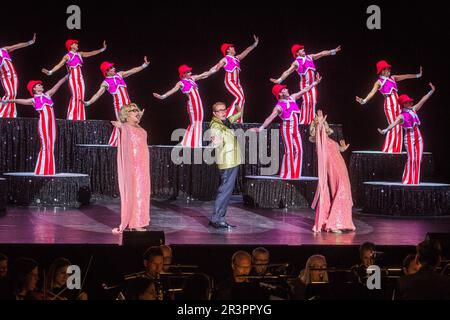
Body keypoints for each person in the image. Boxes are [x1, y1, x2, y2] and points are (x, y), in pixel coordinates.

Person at [251, 77, 321, 179]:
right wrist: (260, 129)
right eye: (284, 90)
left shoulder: (292, 98)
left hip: (295, 130)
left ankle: (295, 174)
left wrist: (315, 82)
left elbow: (305, 90)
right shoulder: (278, 107)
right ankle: (286, 175)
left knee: (299, 150)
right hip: (286, 129)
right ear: (280, 94)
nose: (287, 90)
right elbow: (270, 118)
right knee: (289, 151)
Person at [2, 76, 68, 175]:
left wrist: (67, 76)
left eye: (41, 85)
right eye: (39, 85)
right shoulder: (33, 100)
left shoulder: (47, 95)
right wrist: (7, 101)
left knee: (51, 145)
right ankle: (42, 170)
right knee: (45, 145)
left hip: (52, 123)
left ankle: (49, 169)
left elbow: (58, 84)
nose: (41, 86)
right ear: (34, 88)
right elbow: (18, 100)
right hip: (44, 123)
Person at [356, 60, 423, 153]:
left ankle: (397, 150)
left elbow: (406, 76)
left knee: (399, 126)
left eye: (389, 68)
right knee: (393, 126)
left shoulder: (393, 78)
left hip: (398, 105)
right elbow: (372, 92)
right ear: (382, 70)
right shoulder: (379, 82)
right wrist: (364, 100)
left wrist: (417, 75)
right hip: (389, 105)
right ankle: (388, 149)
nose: (389, 69)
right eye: (387, 68)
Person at [82, 57, 150, 146]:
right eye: (111, 68)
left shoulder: (119, 75)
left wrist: (144, 65)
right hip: (120, 107)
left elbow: (132, 71)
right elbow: (98, 94)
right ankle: (113, 145)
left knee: (131, 124)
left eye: (113, 67)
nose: (114, 68)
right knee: (122, 125)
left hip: (129, 106)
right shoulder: (106, 83)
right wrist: (88, 102)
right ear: (106, 71)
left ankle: (127, 145)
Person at [378, 83, 435, 185]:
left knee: (418, 159)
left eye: (410, 102)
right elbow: (393, 124)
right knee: (412, 159)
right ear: (404, 104)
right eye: (408, 102)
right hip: (409, 138)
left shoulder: (413, 109)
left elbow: (423, 100)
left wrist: (431, 91)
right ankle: (407, 180)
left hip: (419, 137)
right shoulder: (401, 116)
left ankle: (415, 181)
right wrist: (385, 130)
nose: (411, 103)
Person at [309, 110, 355, 233]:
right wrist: (319, 123)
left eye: (324, 123)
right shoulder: (320, 140)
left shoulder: (329, 140)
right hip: (333, 167)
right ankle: (334, 223)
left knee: (343, 189)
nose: (323, 124)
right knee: (341, 189)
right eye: (320, 123)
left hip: (341, 166)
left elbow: (337, 149)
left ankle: (341, 221)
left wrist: (343, 148)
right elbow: (319, 134)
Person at [270, 43, 341, 124]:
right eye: (300, 49)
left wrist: (333, 51)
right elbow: (288, 72)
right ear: (297, 53)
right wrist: (279, 80)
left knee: (313, 102)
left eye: (302, 48)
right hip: (305, 85)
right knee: (307, 102)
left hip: (313, 85)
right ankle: (303, 122)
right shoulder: (296, 62)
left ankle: (312, 121)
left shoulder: (309, 57)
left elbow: (321, 54)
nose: (303, 49)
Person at [42, 39, 107, 120]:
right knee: (75, 96)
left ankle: (81, 117)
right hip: (73, 79)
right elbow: (59, 65)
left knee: (81, 97)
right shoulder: (67, 56)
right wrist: (50, 71)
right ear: (71, 46)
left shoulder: (80, 54)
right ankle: (71, 117)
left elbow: (91, 53)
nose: (77, 44)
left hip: (80, 79)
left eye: (76, 43)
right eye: (75, 44)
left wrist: (102, 49)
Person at [111, 104, 150, 234]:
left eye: (138, 110)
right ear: (127, 114)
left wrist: (138, 116)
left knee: (143, 192)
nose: (137, 112)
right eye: (134, 111)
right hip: (134, 166)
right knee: (136, 192)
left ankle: (140, 220)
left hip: (143, 165)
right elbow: (125, 128)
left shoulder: (137, 126)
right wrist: (120, 126)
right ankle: (135, 223)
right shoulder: (126, 127)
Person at [153, 65, 214, 148]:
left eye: (189, 71)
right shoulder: (181, 83)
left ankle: (186, 142)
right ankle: (195, 144)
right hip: (193, 104)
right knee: (195, 123)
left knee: (198, 122)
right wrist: (163, 96)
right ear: (183, 74)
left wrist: (216, 68)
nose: (190, 73)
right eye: (188, 72)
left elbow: (204, 74)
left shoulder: (192, 79)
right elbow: (173, 90)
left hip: (199, 103)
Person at [209, 35, 259, 123]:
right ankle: (228, 116)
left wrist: (254, 44)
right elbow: (218, 66)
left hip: (237, 83)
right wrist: (211, 71)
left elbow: (246, 51)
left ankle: (239, 119)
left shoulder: (237, 58)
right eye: (232, 47)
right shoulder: (225, 59)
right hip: (230, 81)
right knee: (240, 97)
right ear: (228, 50)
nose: (234, 48)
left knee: (242, 99)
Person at [209, 102, 242, 228]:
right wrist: (215, 141)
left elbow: (238, 115)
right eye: (219, 111)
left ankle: (218, 217)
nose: (223, 112)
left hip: (233, 160)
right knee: (225, 191)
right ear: (214, 113)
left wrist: (239, 108)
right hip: (227, 161)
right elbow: (215, 137)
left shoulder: (225, 121)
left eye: (224, 110)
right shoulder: (215, 125)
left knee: (226, 191)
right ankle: (217, 219)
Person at [0, 33, 36, 118]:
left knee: (14, 94)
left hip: (14, 74)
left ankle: (12, 115)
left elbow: (16, 46)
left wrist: (30, 42)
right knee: (9, 93)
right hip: (4, 76)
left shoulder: (3, 49)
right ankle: (2, 114)